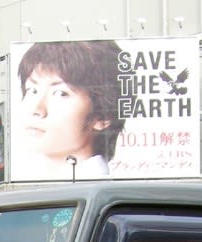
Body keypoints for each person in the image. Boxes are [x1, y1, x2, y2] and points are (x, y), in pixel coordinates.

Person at [13, 40, 125, 181]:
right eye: (32, 90)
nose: (37, 109)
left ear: (103, 117)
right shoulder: (39, 182)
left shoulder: (92, 188)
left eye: (61, 93)